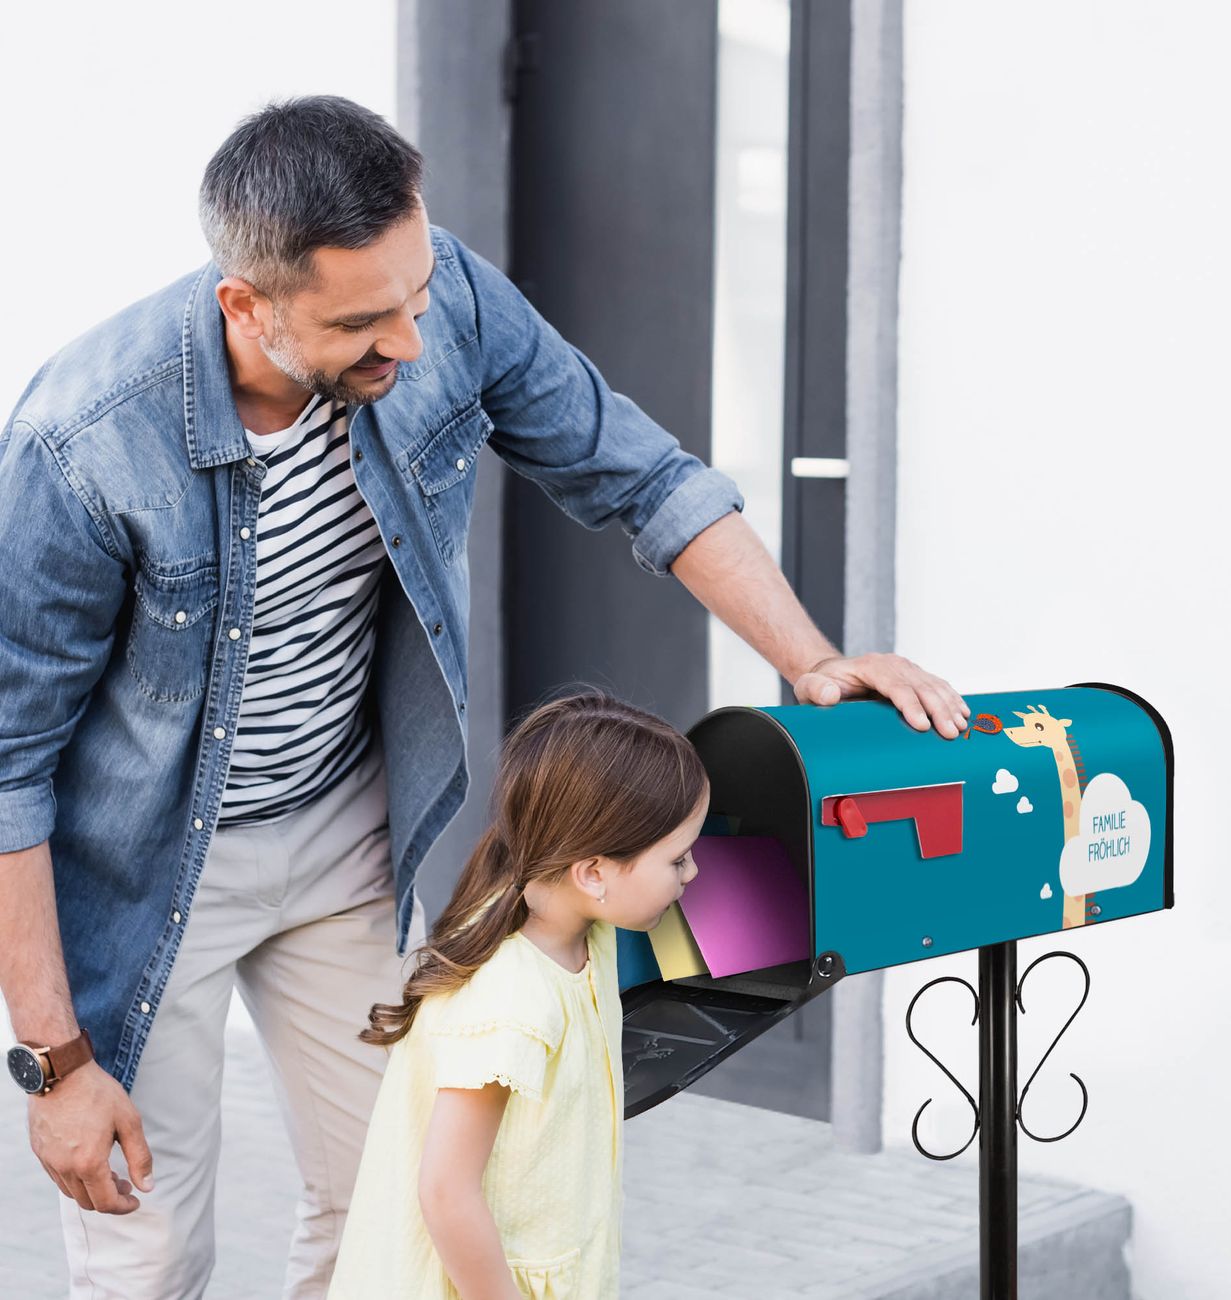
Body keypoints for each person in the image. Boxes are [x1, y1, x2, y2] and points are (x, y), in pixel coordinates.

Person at [0, 95, 968, 1298]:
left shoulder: (443, 295)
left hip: (345, 834)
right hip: (148, 874)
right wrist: (54, 1063)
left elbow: (641, 475)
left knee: (388, 1215)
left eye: (412, 294)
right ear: (244, 305)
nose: (408, 342)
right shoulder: (83, 442)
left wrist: (811, 659)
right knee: (147, 1255)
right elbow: (8, 766)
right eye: (361, 322)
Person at [328, 691, 706, 1299]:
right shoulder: (512, 1002)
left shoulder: (582, 926)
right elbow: (446, 1192)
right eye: (679, 859)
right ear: (593, 873)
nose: (693, 874)